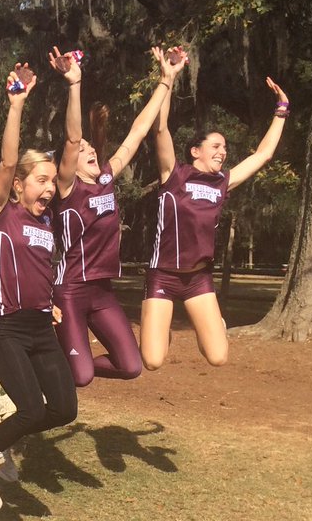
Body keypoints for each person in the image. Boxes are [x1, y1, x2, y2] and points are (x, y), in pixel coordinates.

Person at [0, 65, 78, 511]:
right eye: (40, 180)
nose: (49, 188)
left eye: (51, 181)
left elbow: (71, 148)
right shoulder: (0, 213)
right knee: (31, 408)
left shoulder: (47, 222)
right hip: (7, 328)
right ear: (18, 186)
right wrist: (16, 105)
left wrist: (48, 303)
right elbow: (8, 162)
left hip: (41, 327)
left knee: (64, 409)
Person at [142, 52, 288, 370]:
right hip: (164, 274)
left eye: (225, 147)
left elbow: (263, 155)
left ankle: (209, 326)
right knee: (152, 360)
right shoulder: (174, 174)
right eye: (216, 146)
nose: (223, 151)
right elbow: (160, 129)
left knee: (218, 357)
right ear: (196, 151)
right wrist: (168, 78)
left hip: (198, 278)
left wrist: (282, 110)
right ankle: (161, 329)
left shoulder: (223, 182)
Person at [49, 46, 185, 386]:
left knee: (131, 366)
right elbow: (72, 137)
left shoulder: (107, 177)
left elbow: (138, 131)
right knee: (82, 378)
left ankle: (68, 363)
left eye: (90, 147)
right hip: (70, 290)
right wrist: (74, 84)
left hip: (102, 291)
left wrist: (166, 80)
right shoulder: (67, 189)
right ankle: (62, 364)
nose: (89, 149)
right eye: (82, 150)